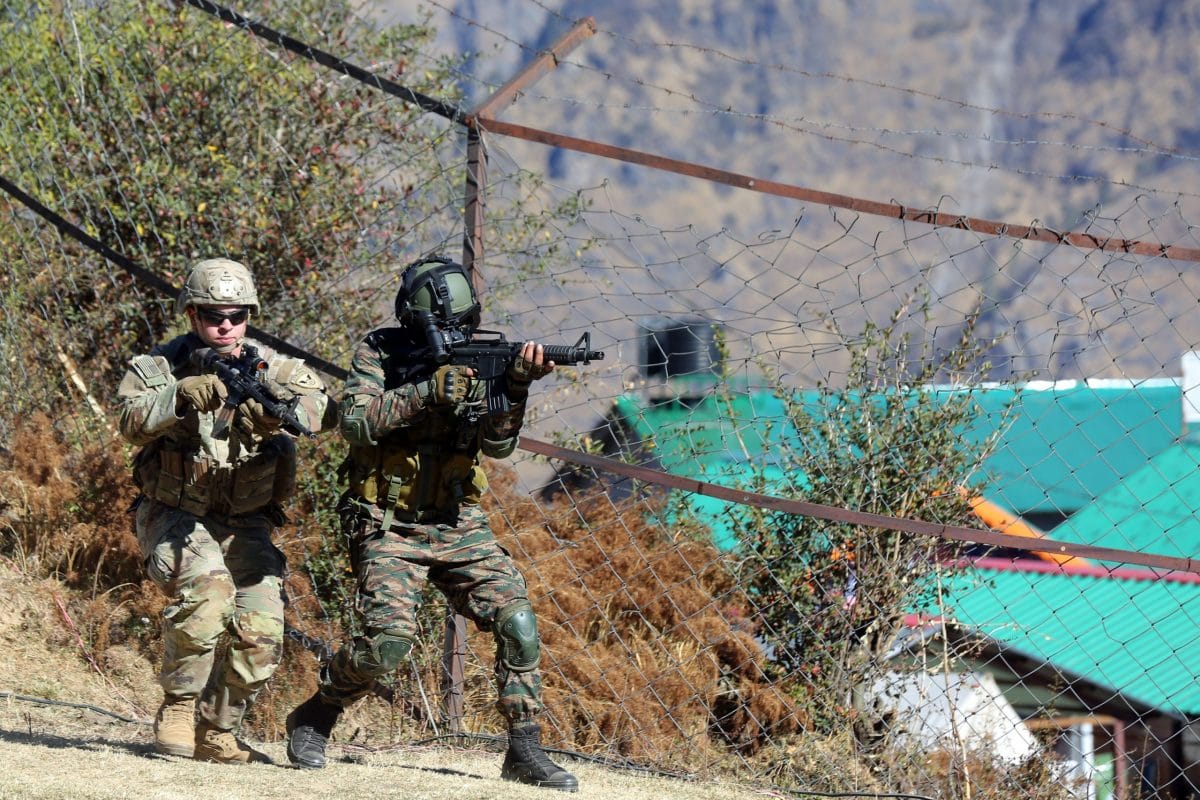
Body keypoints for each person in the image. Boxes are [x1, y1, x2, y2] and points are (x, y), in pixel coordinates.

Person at [285, 255, 578, 792]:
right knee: (387, 645)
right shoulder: (379, 352)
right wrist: (425, 392)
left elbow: (498, 444)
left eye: (464, 327)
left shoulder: (487, 356)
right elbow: (353, 424)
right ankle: (316, 715)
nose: (456, 337)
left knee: (518, 621)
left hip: (457, 521)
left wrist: (515, 388)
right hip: (387, 521)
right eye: (445, 329)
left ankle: (524, 747)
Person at [117, 257, 334, 764]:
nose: (225, 325)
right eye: (213, 314)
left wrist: (273, 415)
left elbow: (320, 409)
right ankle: (177, 706)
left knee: (261, 627)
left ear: (248, 316)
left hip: (244, 522)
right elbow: (129, 419)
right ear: (191, 314)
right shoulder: (161, 366)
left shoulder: (271, 366)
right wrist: (178, 397)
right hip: (173, 513)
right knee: (209, 593)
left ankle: (217, 730)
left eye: (236, 315)